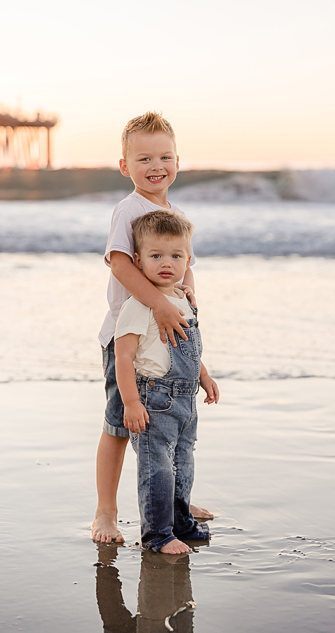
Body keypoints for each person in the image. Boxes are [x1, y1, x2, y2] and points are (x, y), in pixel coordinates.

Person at [92, 111, 212, 544]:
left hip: (168, 335)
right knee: (120, 426)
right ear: (125, 167)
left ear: (178, 160)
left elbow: (186, 264)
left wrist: (186, 298)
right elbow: (121, 264)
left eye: (164, 156)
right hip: (129, 336)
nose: (155, 166)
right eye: (143, 159)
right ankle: (106, 511)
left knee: (171, 427)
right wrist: (160, 304)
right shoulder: (128, 209)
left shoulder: (174, 212)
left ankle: (174, 501)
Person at [115, 210, 218, 553]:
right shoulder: (139, 305)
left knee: (183, 463)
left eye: (175, 256)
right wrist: (131, 402)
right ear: (137, 260)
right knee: (157, 469)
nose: (166, 263)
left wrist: (203, 375)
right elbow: (125, 357)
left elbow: (187, 347)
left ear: (188, 259)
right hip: (154, 401)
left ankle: (180, 521)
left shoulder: (184, 299)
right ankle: (157, 534)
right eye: (155, 255)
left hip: (186, 400)